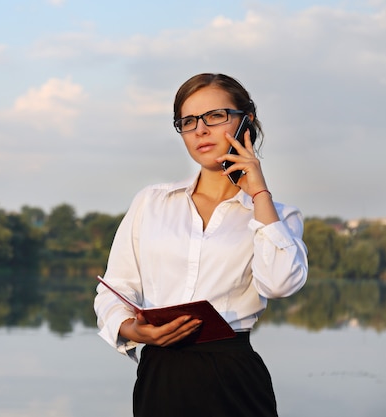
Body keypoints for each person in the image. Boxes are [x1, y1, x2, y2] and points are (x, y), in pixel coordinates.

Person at [94, 73, 308, 417]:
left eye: (215, 116)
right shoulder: (152, 202)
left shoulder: (277, 217)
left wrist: (259, 193)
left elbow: (280, 284)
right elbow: (115, 288)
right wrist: (131, 329)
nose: (200, 130)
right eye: (188, 121)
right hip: (159, 374)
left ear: (245, 122)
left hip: (233, 377)